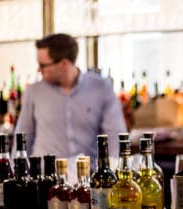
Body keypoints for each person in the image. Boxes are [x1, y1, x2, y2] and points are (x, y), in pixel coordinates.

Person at [15, 33, 126, 167]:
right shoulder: (34, 92)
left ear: (64, 64)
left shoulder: (101, 88)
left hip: (87, 177)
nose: (39, 70)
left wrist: (113, 172)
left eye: (43, 65)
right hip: (46, 179)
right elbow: (23, 138)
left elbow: (115, 137)